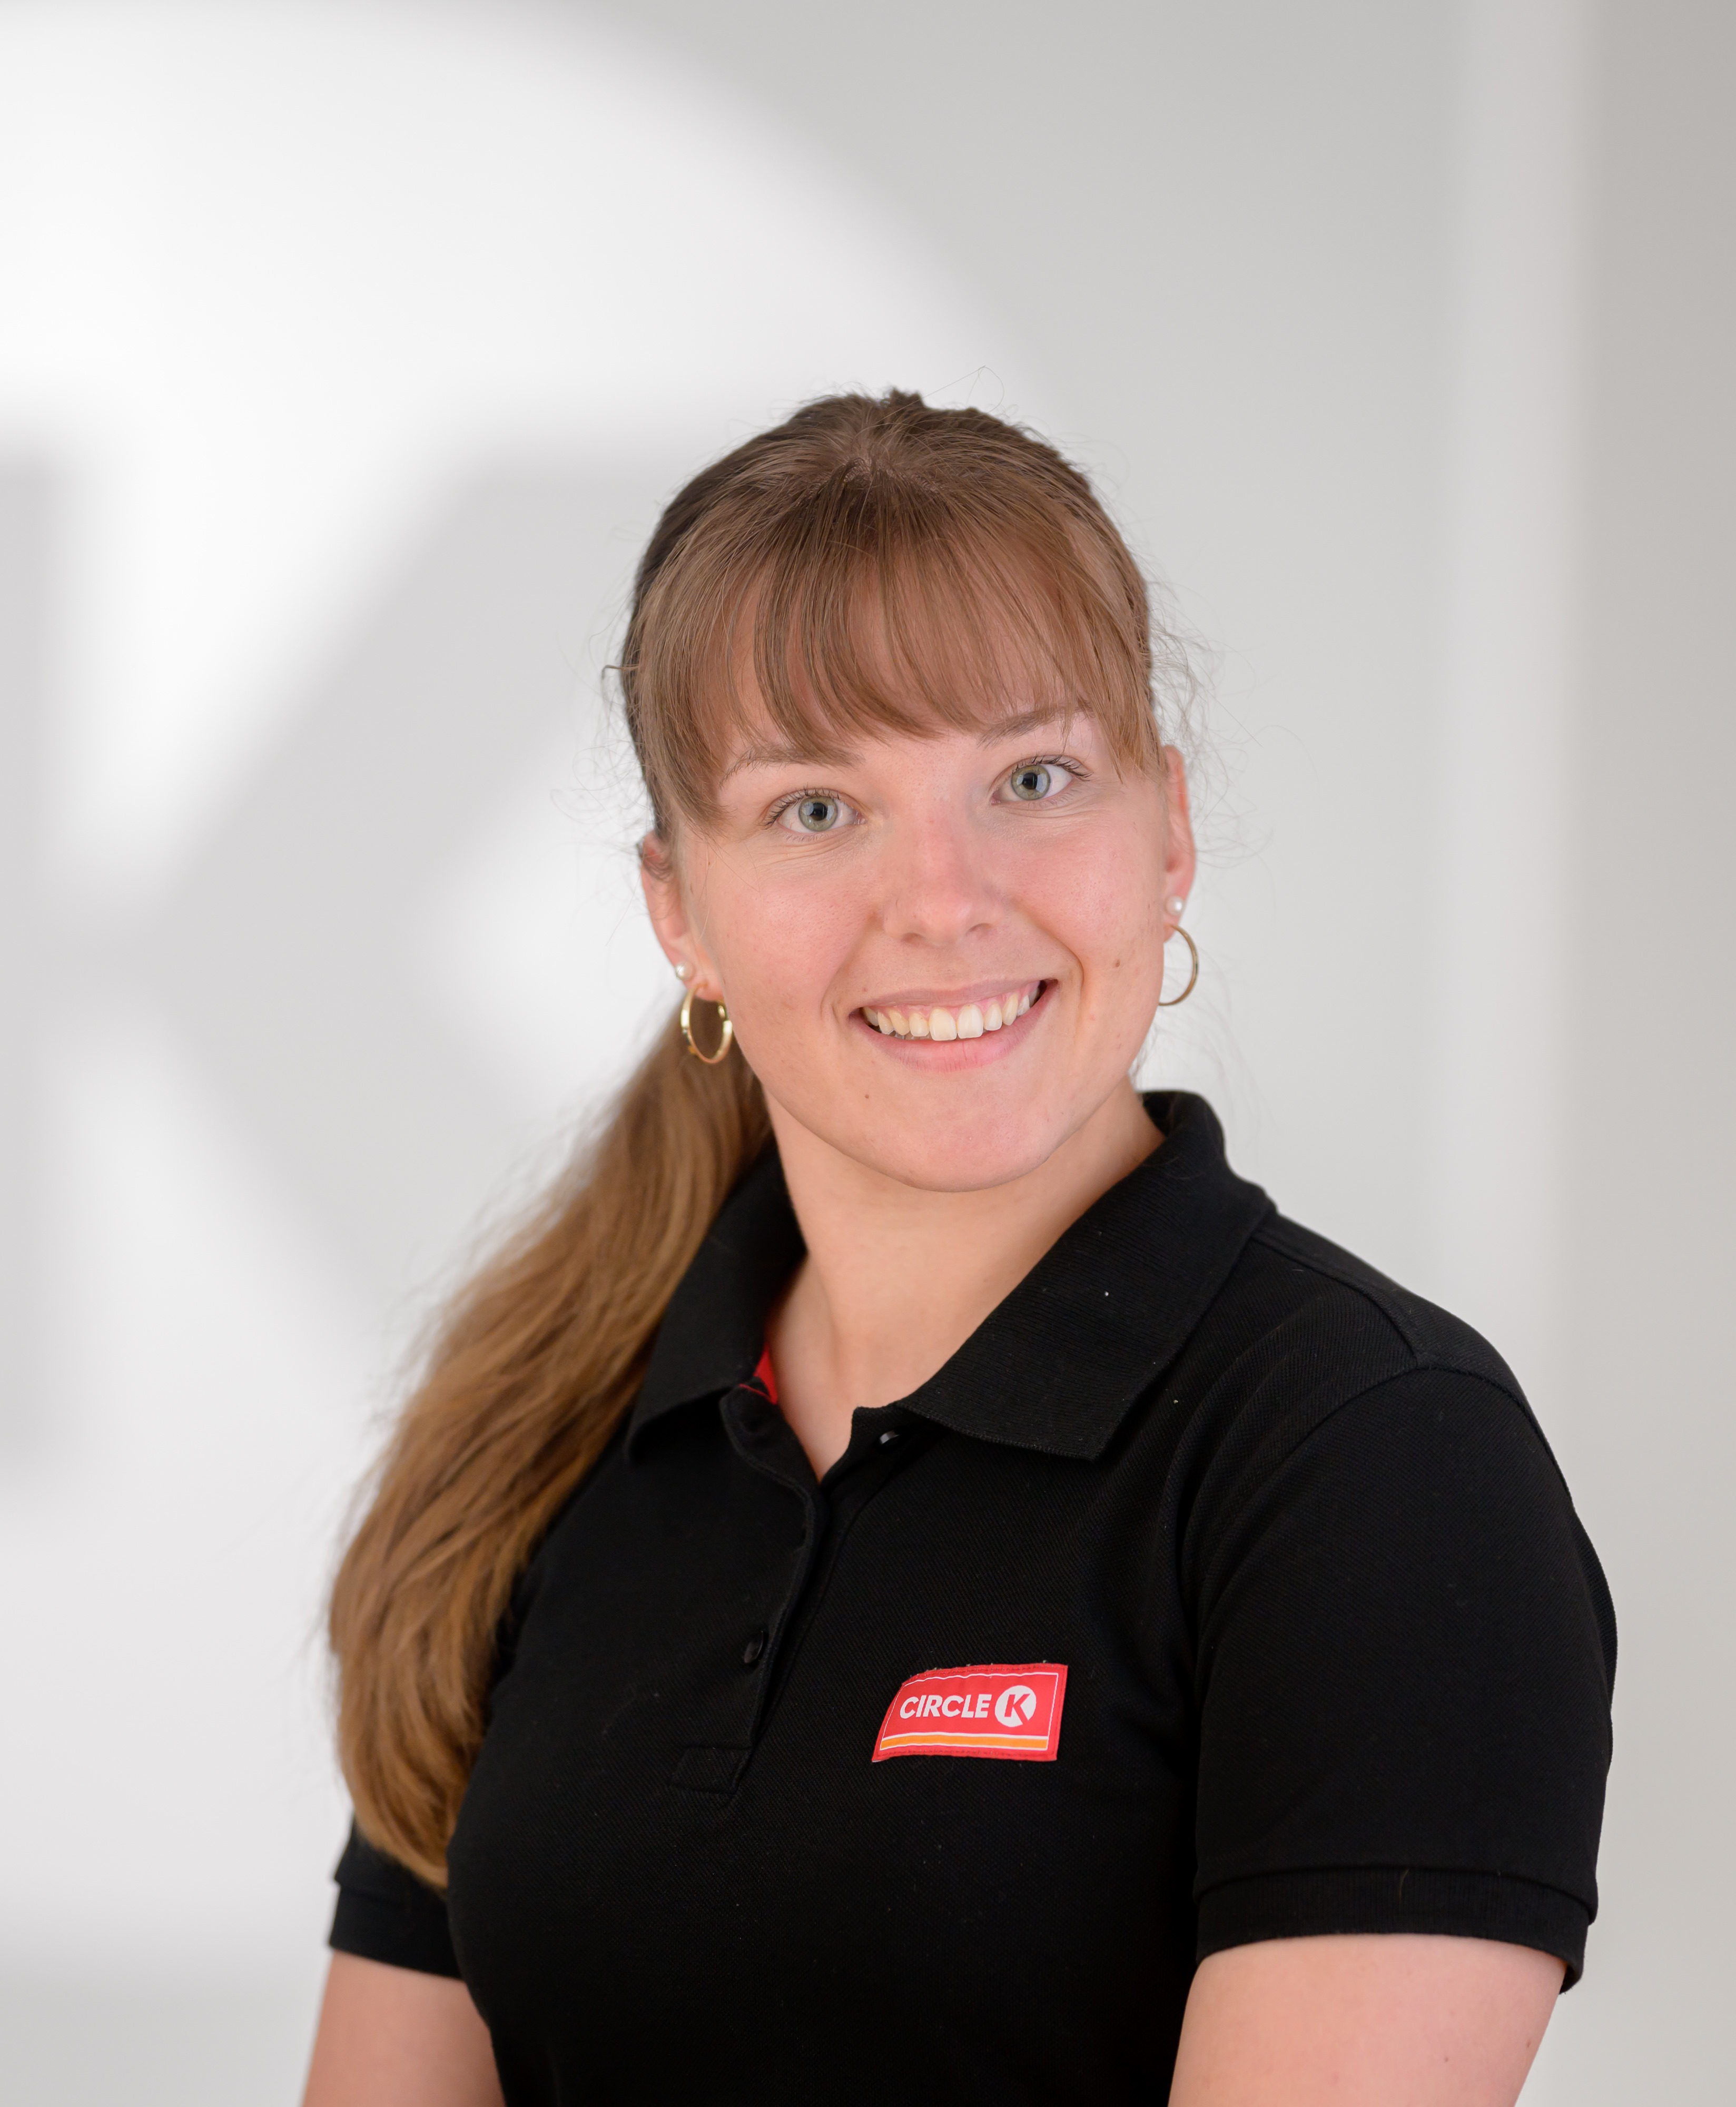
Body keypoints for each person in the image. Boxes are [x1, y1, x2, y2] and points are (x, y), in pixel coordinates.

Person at [301, 393, 1614, 2106]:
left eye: (1031, 779)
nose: (944, 899)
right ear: (679, 912)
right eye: (816, 810)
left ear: (1169, 833)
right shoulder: (547, 1434)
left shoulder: (1375, 1459)